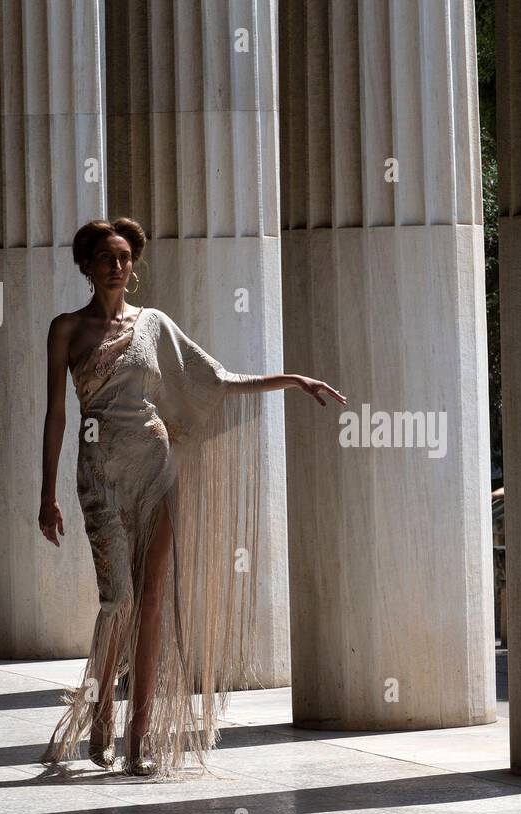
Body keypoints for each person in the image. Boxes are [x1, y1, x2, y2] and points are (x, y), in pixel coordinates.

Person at [38, 218, 344, 777]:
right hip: (99, 476)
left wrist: (292, 380)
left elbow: (217, 377)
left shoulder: (154, 325)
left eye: (125, 256)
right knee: (119, 599)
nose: (117, 265)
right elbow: (56, 414)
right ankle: (102, 713)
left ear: (134, 265)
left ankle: (139, 738)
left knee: (154, 601)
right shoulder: (66, 329)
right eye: (106, 257)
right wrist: (45, 494)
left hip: (157, 469)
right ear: (85, 265)